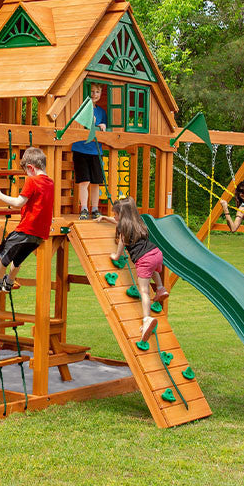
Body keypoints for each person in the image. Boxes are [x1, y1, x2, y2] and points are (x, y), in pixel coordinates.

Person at [0, 146, 54, 293]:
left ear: (31, 168)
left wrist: (0, 196)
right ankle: (9, 282)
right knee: (18, 258)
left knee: (2, 253)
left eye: (26, 172)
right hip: (40, 233)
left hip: (26, 229)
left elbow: (19, 203)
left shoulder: (32, 181)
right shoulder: (50, 183)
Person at [109, 197, 169, 343]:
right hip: (156, 253)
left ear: (122, 215)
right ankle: (160, 288)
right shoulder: (138, 223)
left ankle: (147, 318)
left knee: (144, 291)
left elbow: (119, 250)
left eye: (115, 215)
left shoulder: (123, 230)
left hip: (144, 259)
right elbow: (119, 223)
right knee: (153, 269)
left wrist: (115, 256)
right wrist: (105, 219)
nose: (114, 217)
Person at [71, 82, 107, 220]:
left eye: (97, 92)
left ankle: (96, 209)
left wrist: (102, 125)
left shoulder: (101, 111)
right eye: (92, 91)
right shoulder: (81, 109)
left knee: (96, 182)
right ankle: (84, 208)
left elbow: (104, 128)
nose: (94, 94)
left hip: (95, 150)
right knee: (84, 181)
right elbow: (78, 123)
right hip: (80, 149)